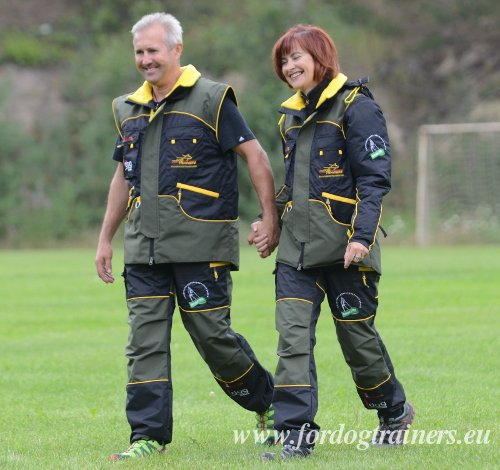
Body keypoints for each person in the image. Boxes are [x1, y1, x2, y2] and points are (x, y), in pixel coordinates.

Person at [95, 12, 280, 460]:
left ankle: (271, 405)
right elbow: (124, 175)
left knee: (213, 339)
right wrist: (106, 239)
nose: (145, 60)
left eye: (153, 50)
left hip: (202, 246)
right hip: (143, 251)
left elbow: (255, 157)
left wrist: (269, 217)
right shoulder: (127, 108)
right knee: (144, 344)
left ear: (177, 49)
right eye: (139, 52)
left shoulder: (213, 100)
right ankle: (147, 437)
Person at [248, 24, 414, 460]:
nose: (289, 66)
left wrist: (361, 237)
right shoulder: (289, 116)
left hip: (346, 252)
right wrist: (269, 223)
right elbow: (294, 186)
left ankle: (393, 411)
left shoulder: (357, 107)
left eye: (297, 56)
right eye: (284, 60)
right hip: (295, 256)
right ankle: (295, 436)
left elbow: (374, 181)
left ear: (322, 57)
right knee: (292, 340)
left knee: (357, 343)